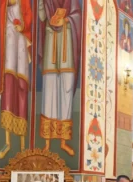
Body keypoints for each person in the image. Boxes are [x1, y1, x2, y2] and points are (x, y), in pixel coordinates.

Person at [37, 0, 82, 156]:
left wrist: (66, 20)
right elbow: (41, 16)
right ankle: (47, 142)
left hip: (67, 46)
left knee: (66, 89)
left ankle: (64, 142)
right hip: (51, 44)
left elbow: (78, 16)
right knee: (49, 90)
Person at [0, 0, 32, 159]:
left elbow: (28, 17)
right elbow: (2, 16)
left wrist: (23, 27)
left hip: (20, 42)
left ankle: (23, 146)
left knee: (21, 88)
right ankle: (7, 142)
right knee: (8, 87)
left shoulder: (24, 2)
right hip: (9, 41)